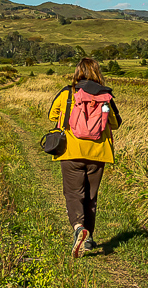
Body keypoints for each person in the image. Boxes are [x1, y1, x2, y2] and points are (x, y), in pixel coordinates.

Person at [47, 58, 121, 257]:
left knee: (74, 194)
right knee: (91, 196)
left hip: (71, 151)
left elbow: (52, 115)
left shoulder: (67, 93)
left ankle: (79, 228)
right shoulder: (106, 96)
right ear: (97, 72)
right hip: (98, 153)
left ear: (77, 72)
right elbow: (115, 123)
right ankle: (88, 240)